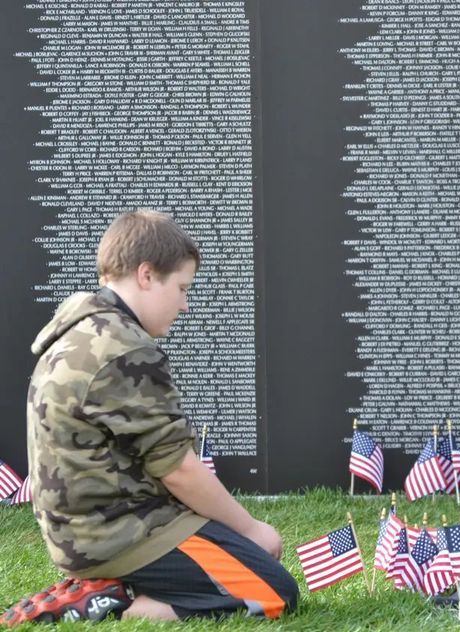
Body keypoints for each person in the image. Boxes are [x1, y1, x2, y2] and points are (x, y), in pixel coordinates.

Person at [4, 210, 297, 626]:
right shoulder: (123, 347)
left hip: (85, 531)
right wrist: (251, 530)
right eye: (181, 288)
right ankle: (111, 603)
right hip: (118, 536)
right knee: (274, 593)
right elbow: (177, 469)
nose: (185, 304)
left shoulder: (81, 328)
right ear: (146, 275)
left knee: (243, 563)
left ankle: (110, 588)